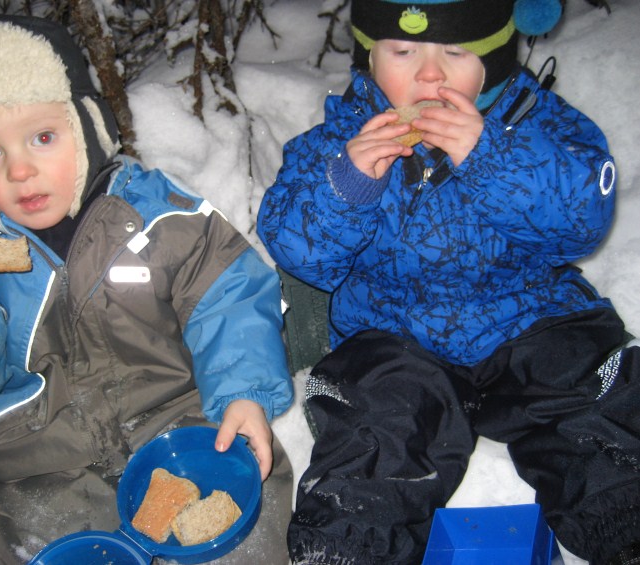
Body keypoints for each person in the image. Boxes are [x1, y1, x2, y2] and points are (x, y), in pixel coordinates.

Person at [0, 14, 294, 564]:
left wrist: (243, 389)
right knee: (49, 548)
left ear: (87, 126)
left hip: (176, 424)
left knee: (247, 522)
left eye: (43, 137)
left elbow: (230, 294)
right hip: (43, 461)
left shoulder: (157, 217)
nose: (20, 171)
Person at [256, 0, 640, 563]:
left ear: (495, 56)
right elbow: (300, 254)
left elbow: (582, 221)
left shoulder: (536, 120)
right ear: (370, 54)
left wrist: (492, 157)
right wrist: (347, 185)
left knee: (591, 406)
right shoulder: (337, 141)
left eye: (456, 51)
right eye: (403, 50)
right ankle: (350, 548)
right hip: (393, 334)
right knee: (375, 433)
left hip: (530, 315)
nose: (428, 73)